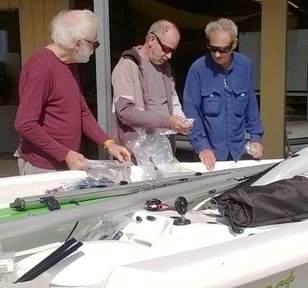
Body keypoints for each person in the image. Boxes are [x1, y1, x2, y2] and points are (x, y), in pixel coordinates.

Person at [14, 9, 131, 175]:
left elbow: (82, 111)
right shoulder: (41, 68)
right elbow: (25, 124)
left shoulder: (70, 65)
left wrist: (108, 143)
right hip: (42, 166)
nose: (94, 50)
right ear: (77, 43)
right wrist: (65, 154)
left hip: (63, 163)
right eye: (94, 44)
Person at [183, 18, 264, 170]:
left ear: (234, 44)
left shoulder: (245, 65)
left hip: (237, 152)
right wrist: (202, 146)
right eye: (213, 48)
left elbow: (251, 105)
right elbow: (191, 110)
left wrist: (256, 137)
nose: (217, 54)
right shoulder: (198, 69)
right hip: (208, 153)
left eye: (223, 49)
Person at [111, 20, 191, 151]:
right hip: (135, 151)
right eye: (166, 49)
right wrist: (167, 122)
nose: (169, 56)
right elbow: (125, 112)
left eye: (172, 51)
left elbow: (174, 103)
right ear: (152, 39)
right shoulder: (127, 65)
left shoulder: (166, 69)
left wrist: (182, 122)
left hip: (164, 150)